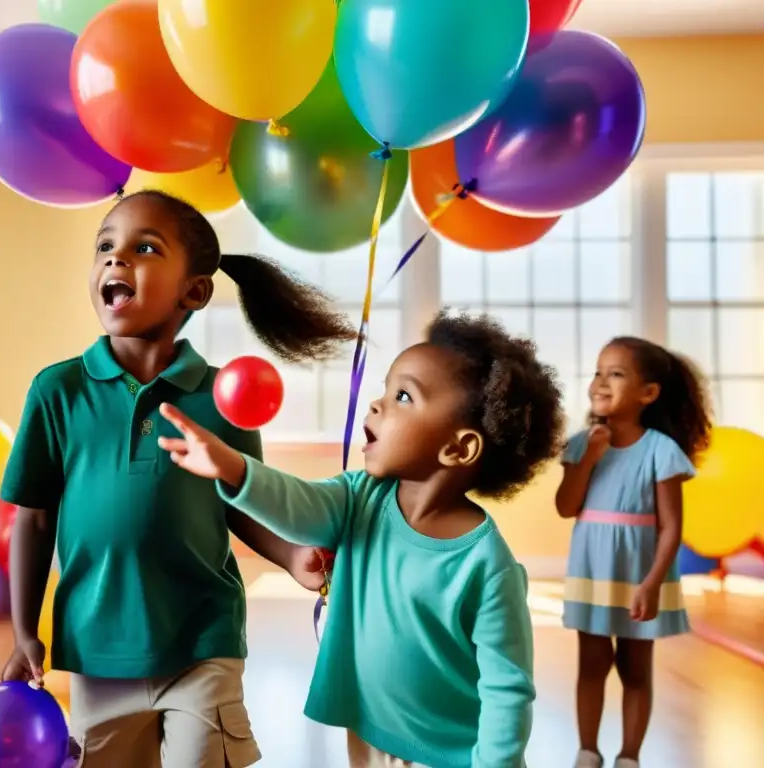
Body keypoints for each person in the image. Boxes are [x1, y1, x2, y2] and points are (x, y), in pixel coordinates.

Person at [0, 189, 357, 768]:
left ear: (194, 290)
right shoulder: (56, 392)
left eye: (143, 248)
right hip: (97, 650)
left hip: (202, 642)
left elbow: (240, 505)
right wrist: (23, 632)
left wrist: (292, 557)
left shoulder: (221, 398)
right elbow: (34, 518)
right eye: (104, 247)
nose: (115, 260)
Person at [158, 311, 566, 768]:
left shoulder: (487, 565)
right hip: (370, 734)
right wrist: (234, 467)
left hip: (451, 756)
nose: (376, 404)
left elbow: (506, 689)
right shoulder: (360, 497)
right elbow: (298, 505)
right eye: (386, 390)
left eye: (404, 396)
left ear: (458, 448)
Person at [555, 337, 711, 768]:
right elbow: (566, 507)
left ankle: (629, 756)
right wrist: (590, 457)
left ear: (649, 393)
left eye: (617, 373)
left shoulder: (661, 450)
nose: (601, 382)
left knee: (635, 668)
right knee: (592, 662)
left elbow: (671, 527)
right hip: (593, 568)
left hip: (639, 571)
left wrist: (651, 583)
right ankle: (588, 751)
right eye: (598, 372)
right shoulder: (581, 444)